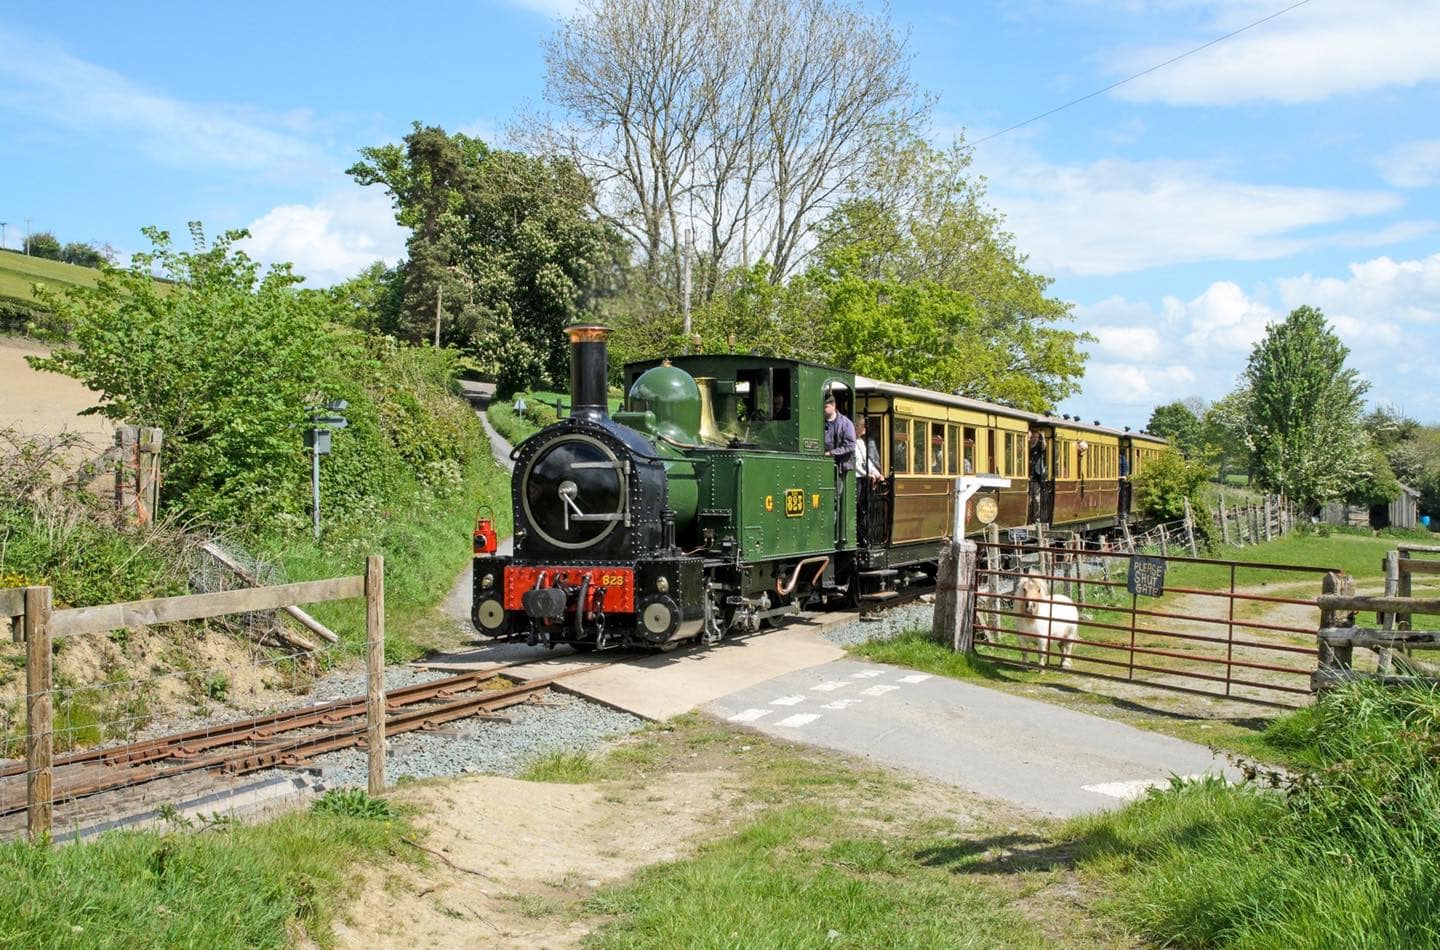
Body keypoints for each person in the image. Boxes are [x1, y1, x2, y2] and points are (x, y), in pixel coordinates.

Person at [823, 396, 855, 544]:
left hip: (839, 468)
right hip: (823, 467)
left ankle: (832, 533)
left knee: (835, 500)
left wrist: (831, 453)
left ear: (833, 406)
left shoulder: (846, 424)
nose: (823, 410)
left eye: (825, 407)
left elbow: (850, 446)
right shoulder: (820, 422)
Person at [854, 418, 882, 484]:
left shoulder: (860, 441)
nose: (865, 430)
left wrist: (876, 473)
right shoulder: (850, 442)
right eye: (864, 427)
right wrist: (866, 474)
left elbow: (866, 459)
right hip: (856, 477)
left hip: (863, 477)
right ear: (857, 427)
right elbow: (854, 463)